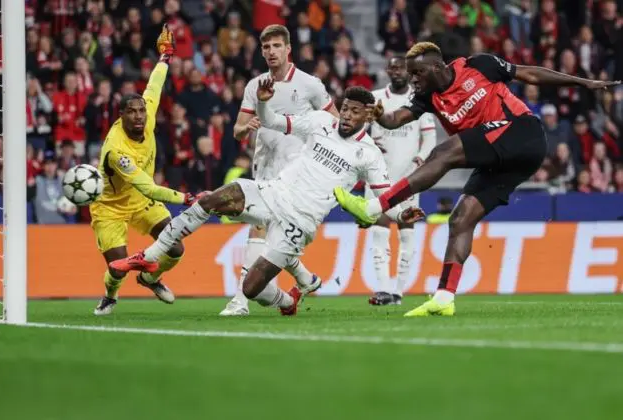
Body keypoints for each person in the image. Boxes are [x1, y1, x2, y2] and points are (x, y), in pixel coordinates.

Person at [333, 42, 620, 316]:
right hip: (501, 157)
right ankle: (444, 298)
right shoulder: (426, 98)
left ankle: (372, 208)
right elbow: (396, 119)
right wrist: (381, 117)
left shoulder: (479, 65)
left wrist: (581, 82)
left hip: (522, 132)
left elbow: (529, 73)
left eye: (417, 73)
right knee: (460, 219)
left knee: (444, 151)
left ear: (436, 67)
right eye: (410, 74)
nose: (413, 79)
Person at [109, 85, 424, 316]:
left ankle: (288, 301)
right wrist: (261, 104)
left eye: (355, 111)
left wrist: (399, 216)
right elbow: (273, 121)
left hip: (301, 221)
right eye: (345, 108)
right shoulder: (320, 122)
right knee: (214, 198)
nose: (346, 116)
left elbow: (383, 197)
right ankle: (152, 255)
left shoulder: (369, 154)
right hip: (275, 192)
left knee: (251, 288)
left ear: (368, 115)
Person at [220, 24, 339, 316]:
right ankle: (304, 278)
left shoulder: (310, 84)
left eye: (276, 46)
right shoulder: (255, 86)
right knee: (273, 232)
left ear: (288, 49)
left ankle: (240, 301)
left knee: (261, 227)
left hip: (296, 172)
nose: (271, 52)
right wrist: (245, 128)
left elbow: (335, 122)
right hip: (265, 163)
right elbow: (237, 130)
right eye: (266, 47)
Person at [89, 25, 203, 316]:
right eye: (132, 112)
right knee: (117, 268)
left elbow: (154, 85)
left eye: (141, 111)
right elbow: (149, 187)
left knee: (176, 249)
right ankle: (110, 297)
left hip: (141, 204)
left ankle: (150, 278)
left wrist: (165, 57)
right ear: (121, 115)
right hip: (110, 208)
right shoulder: (117, 151)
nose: (139, 116)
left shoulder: (148, 114)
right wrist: (187, 198)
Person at [366, 55, 436, 306]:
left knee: (406, 234)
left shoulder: (419, 101)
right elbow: (359, 131)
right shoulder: (374, 98)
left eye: (400, 68)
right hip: (378, 177)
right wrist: (368, 143)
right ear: (386, 71)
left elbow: (429, 139)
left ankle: (398, 291)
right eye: (392, 67)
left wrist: (419, 160)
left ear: (408, 72)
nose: (395, 71)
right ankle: (383, 289)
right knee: (379, 232)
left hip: (408, 179)